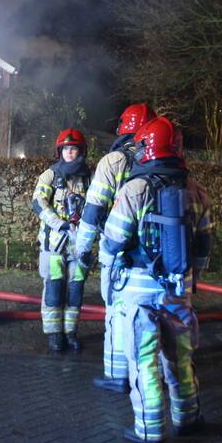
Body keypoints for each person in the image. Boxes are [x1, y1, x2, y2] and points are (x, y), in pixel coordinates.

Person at [99, 116, 212, 443]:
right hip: (179, 291)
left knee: (144, 360)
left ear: (146, 148)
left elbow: (114, 239)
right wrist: (191, 282)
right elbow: (204, 247)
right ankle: (188, 418)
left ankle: (150, 430)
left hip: (138, 292)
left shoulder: (134, 188)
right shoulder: (196, 190)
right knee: (180, 359)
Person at [73, 103, 154, 391]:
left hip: (119, 252)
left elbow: (94, 209)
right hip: (156, 258)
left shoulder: (114, 162)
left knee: (117, 314)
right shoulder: (158, 161)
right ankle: (148, 372)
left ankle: (117, 375)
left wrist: (81, 248)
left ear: (122, 128)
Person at [32, 128, 92, 352]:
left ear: (80, 151)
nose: (70, 153)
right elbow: (38, 203)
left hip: (79, 244)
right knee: (54, 288)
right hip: (54, 244)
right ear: (60, 151)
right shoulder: (51, 175)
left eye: (74, 149)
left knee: (75, 290)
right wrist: (59, 223)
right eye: (66, 149)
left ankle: (71, 332)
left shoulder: (89, 177)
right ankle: (54, 334)